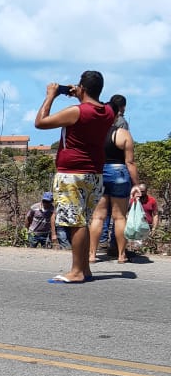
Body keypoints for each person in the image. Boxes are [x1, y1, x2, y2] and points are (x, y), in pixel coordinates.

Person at [35, 70, 115, 283]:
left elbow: (40, 122)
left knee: (74, 222)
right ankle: (85, 269)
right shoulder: (108, 111)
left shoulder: (76, 112)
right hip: (95, 173)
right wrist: (80, 93)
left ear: (83, 87)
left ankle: (77, 271)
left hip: (72, 173)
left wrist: (51, 95)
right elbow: (96, 105)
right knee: (83, 221)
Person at [88, 98, 140, 264]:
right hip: (119, 172)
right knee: (119, 217)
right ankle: (121, 255)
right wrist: (136, 184)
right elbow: (130, 163)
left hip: (100, 172)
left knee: (98, 217)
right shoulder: (123, 134)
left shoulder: (94, 133)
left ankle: (92, 254)